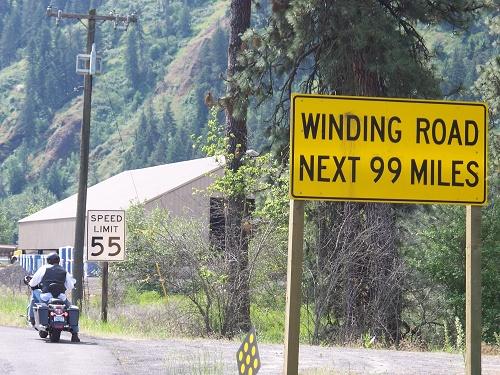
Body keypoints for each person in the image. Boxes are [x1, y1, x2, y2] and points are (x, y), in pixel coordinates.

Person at [27, 252, 80, 342]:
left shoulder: (44, 268)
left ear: (48, 260)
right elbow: (70, 286)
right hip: (60, 298)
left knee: (35, 292)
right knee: (70, 308)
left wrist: (30, 282)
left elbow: (33, 283)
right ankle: (74, 333)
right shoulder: (64, 271)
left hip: (46, 297)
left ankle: (31, 318)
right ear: (58, 261)